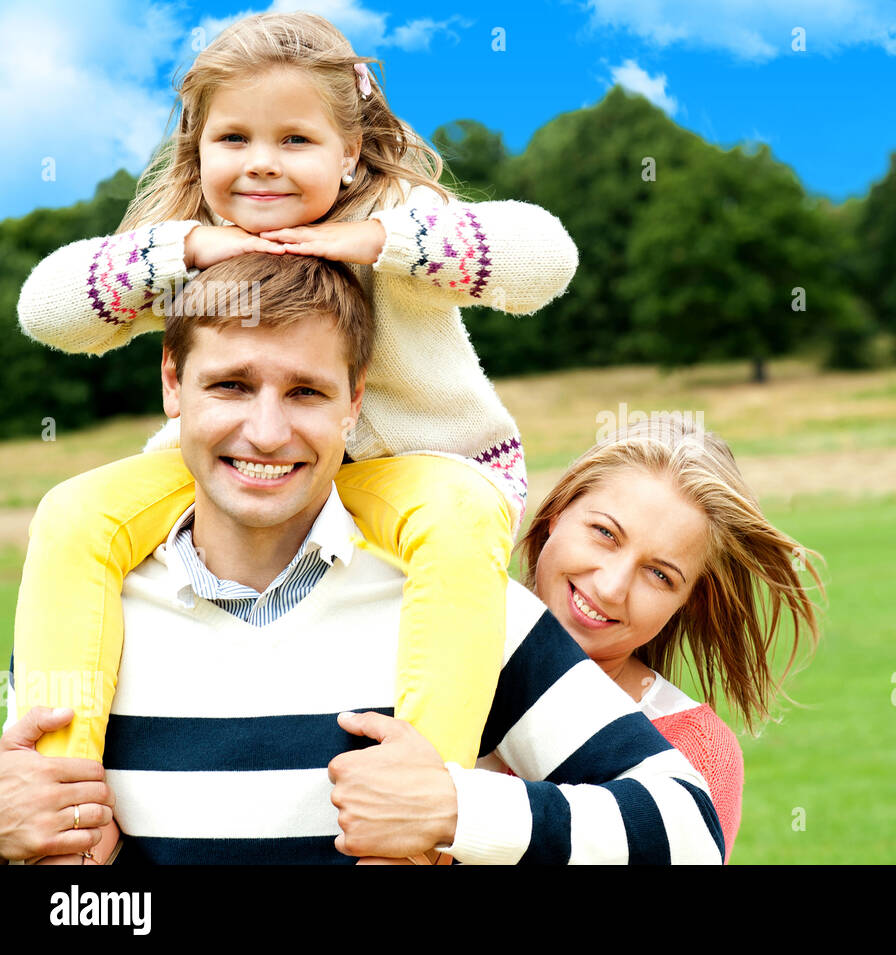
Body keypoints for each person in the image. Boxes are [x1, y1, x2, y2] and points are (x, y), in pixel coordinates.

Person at [1, 251, 723, 865]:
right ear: (171, 382)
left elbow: (692, 829)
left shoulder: (462, 606)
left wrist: (457, 808)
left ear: (354, 402)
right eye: (230, 384)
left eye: (307, 392)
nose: (266, 429)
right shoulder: (88, 619)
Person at [12, 11, 578, 776]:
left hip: (412, 468)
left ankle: (425, 781)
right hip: (235, 464)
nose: (262, 165)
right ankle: (58, 783)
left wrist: (385, 245)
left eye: (295, 140)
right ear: (199, 147)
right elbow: (43, 308)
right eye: (234, 139)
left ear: (348, 151)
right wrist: (182, 249)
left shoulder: (393, 223)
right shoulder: (191, 248)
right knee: (73, 513)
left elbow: (548, 258)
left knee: (459, 515)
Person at [339, 417, 825, 863]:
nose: (612, 586)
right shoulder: (409, 638)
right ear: (555, 514)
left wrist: (454, 810)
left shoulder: (692, 750)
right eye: (605, 534)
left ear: (689, 602)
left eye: (659, 574)